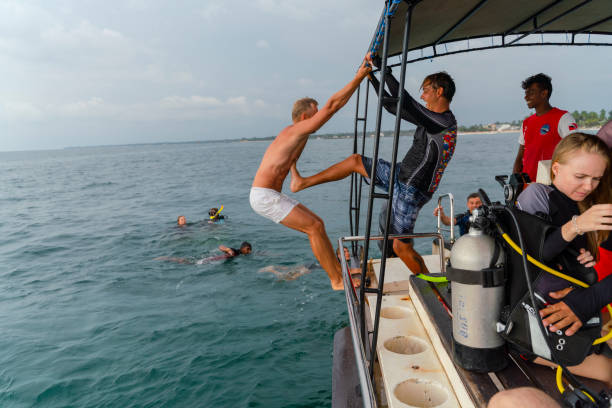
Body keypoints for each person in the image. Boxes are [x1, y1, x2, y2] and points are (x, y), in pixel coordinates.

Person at [290, 65, 457, 275]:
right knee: (355, 161)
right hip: (400, 175)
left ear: (439, 91)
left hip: (412, 190)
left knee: (400, 247)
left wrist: (386, 74)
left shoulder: (442, 122)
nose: (423, 96)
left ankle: (432, 283)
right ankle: (303, 182)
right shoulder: (429, 117)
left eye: (425, 91)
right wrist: (372, 78)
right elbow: (392, 106)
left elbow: (404, 101)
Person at [250, 54, 372, 290]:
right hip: (263, 196)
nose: (321, 116)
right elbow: (333, 106)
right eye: (316, 113)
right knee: (313, 227)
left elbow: (290, 160)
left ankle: (340, 272)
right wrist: (359, 77)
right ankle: (336, 280)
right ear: (305, 117)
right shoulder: (293, 131)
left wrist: (296, 178)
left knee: (318, 223)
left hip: (269, 193)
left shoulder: (297, 137)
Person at [516, 132, 612, 386]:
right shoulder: (537, 195)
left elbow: (560, 260)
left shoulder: (586, 205)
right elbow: (530, 258)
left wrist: (581, 262)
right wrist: (575, 227)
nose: (589, 186)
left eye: (596, 179)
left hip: (580, 315)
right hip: (534, 326)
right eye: (580, 177)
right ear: (556, 169)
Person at [512, 73, 578, 182]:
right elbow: (520, 157)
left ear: (544, 93)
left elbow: (575, 151)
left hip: (551, 186)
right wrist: (515, 183)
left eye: (531, 92)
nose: (526, 97)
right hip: (527, 186)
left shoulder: (564, 118)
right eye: (525, 93)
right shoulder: (526, 123)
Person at [155, 242, 252, 264]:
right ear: (243, 248)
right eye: (248, 249)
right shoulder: (235, 251)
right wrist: (228, 250)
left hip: (212, 260)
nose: (249, 251)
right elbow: (221, 246)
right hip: (210, 260)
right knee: (188, 263)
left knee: (189, 262)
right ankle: (167, 258)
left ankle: (167, 258)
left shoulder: (240, 254)